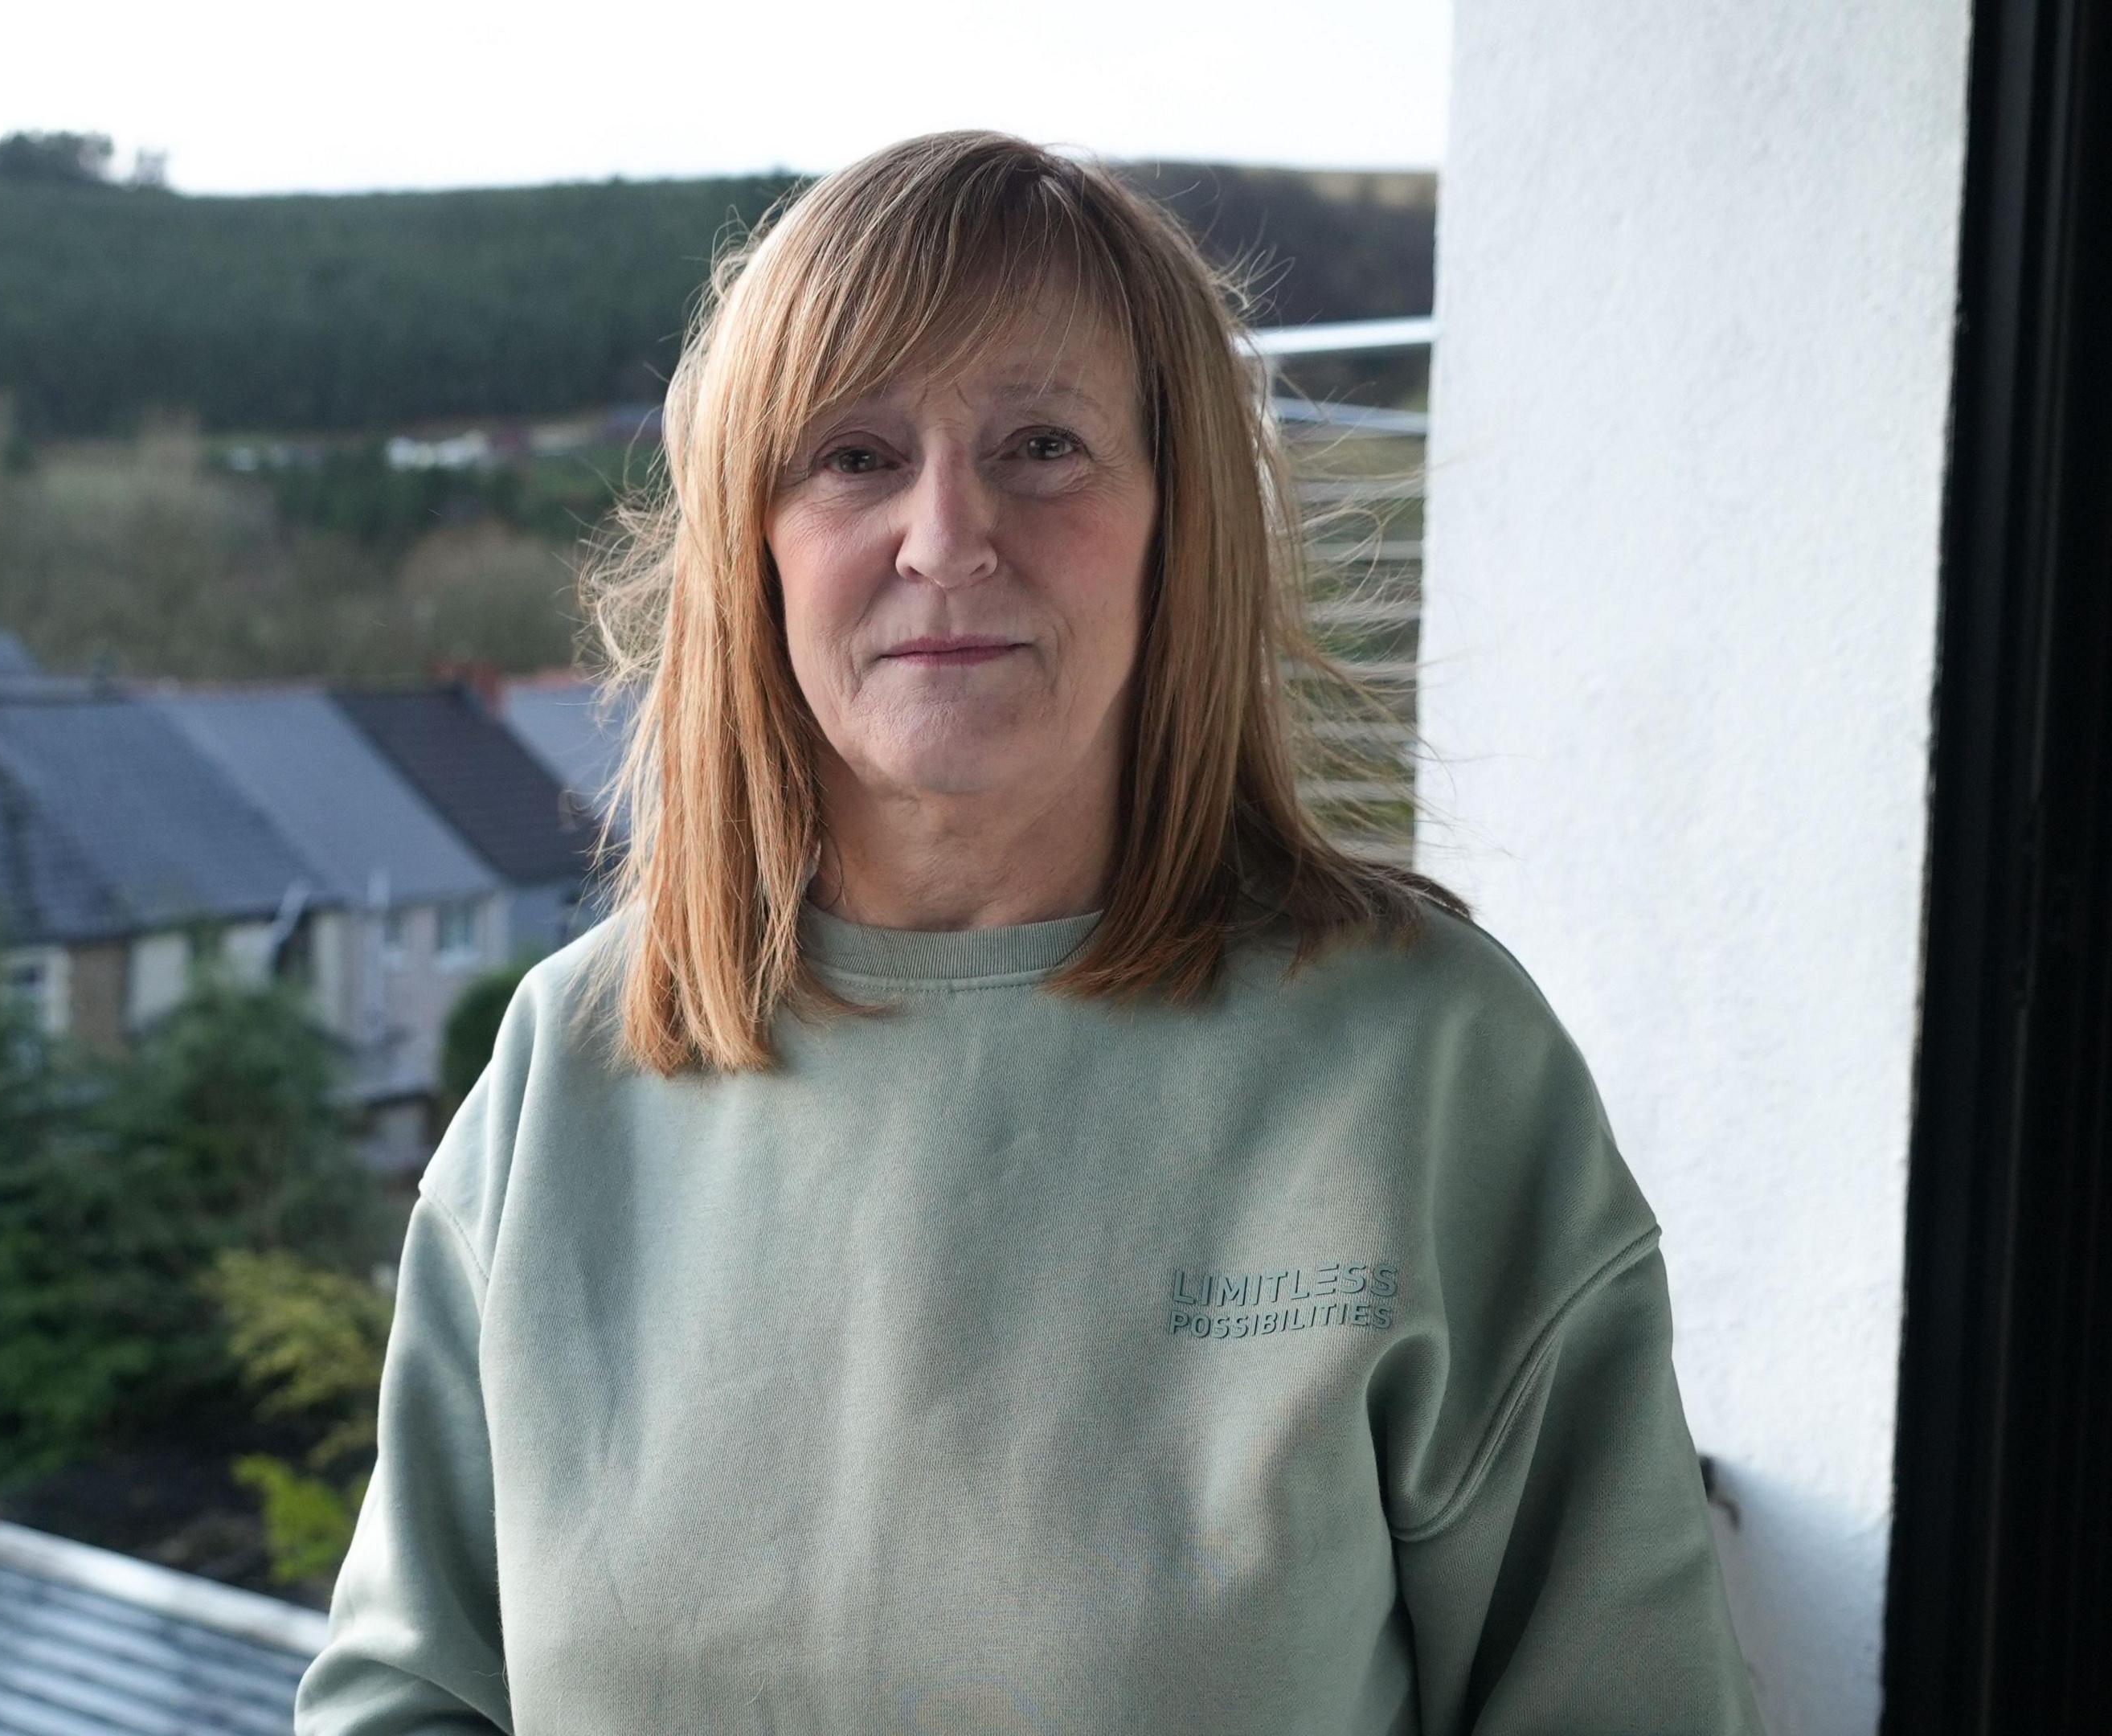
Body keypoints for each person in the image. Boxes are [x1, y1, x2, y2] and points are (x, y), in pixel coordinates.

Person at [294, 131, 1763, 1733]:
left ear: (1175, 525)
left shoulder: (1431, 1073)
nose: (946, 537)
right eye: (852, 455)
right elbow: (409, 1700)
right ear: (752, 542)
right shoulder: (567, 1072)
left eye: (1044, 445)